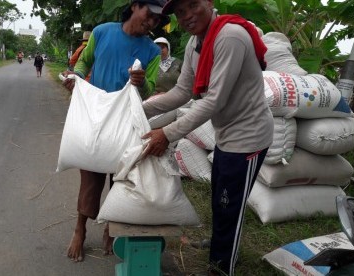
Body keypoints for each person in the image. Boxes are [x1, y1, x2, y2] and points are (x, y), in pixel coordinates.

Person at [141, 0, 274, 275]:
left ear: (209, 3)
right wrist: (140, 108)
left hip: (248, 137)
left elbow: (214, 100)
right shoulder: (194, 44)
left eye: (192, 5)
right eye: (180, 12)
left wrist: (167, 133)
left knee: (231, 205)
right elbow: (182, 92)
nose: (187, 16)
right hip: (226, 134)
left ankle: (223, 267)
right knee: (220, 198)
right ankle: (219, 245)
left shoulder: (230, 37)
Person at [61, 0, 170, 263]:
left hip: (126, 121)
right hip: (96, 117)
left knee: (121, 178)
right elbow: (84, 63)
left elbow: (148, 90)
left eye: (158, 20)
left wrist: (141, 82)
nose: (152, 22)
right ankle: (80, 229)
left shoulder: (151, 51)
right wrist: (75, 79)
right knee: (90, 176)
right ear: (135, 6)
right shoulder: (102, 32)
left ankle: (111, 226)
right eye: (150, 14)